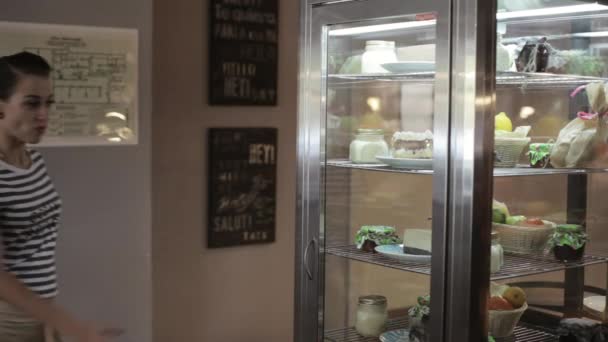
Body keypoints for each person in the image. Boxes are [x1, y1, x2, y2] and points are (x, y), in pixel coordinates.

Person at [0, 51, 120, 342]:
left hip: (41, 313)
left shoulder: (34, 160)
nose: (43, 115)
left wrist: (49, 316)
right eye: (31, 104)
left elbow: (36, 248)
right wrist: (67, 323)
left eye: (48, 103)